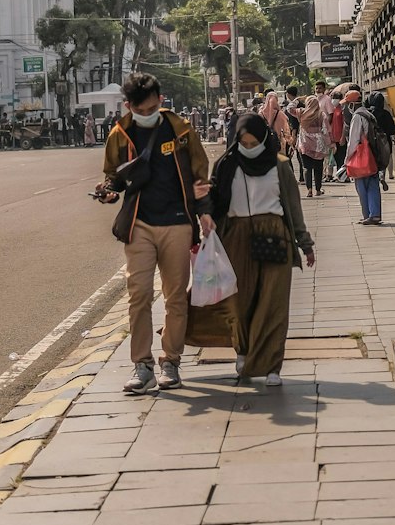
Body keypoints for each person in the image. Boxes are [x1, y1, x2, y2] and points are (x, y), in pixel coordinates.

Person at [98, 72, 213, 395]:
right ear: (128, 106)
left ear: (161, 101)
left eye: (151, 109)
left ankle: (171, 361)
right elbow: (113, 176)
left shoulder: (180, 130)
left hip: (177, 221)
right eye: (141, 111)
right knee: (139, 295)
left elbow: (199, 174)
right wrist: (108, 191)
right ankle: (142, 365)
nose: (146, 115)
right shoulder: (120, 133)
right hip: (140, 224)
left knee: (175, 296)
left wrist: (204, 212)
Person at [210, 113, 315, 385]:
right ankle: (243, 351)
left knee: (273, 302)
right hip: (236, 237)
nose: (249, 147)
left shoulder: (280, 166)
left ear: (264, 138)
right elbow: (215, 205)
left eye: (254, 141)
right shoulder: (226, 166)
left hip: (274, 235)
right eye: (243, 142)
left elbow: (293, 207)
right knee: (240, 301)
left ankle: (271, 366)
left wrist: (305, 244)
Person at [346, 90, 383, 225]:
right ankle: (375, 214)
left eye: (348, 104)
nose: (347, 107)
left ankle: (368, 214)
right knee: (373, 185)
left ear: (352, 104)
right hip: (372, 155)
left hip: (361, 156)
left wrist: (347, 159)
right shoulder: (368, 114)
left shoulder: (357, 117)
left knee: (361, 186)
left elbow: (353, 141)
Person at [296, 95, 328, 197]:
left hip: (305, 144)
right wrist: (331, 144)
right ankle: (318, 190)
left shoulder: (301, 114)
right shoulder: (321, 114)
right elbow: (326, 130)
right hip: (318, 144)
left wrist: (297, 100)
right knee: (318, 168)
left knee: (307, 167)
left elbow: (289, 109)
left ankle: (309, 190)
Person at [366, 91, 395, 190]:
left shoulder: (367, 113)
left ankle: (374, 175)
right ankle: (382, 174)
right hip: (384, 139)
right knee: (384, 158)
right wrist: (393, 136)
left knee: (373, 158)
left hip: (371, 140)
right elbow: (391, 128)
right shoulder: (385, 114)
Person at [260, 90, 293, 155]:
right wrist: (290, 142)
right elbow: (286, 130)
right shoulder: (280, 114)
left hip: (265, 143)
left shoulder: (261, 114)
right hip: (279, 144)